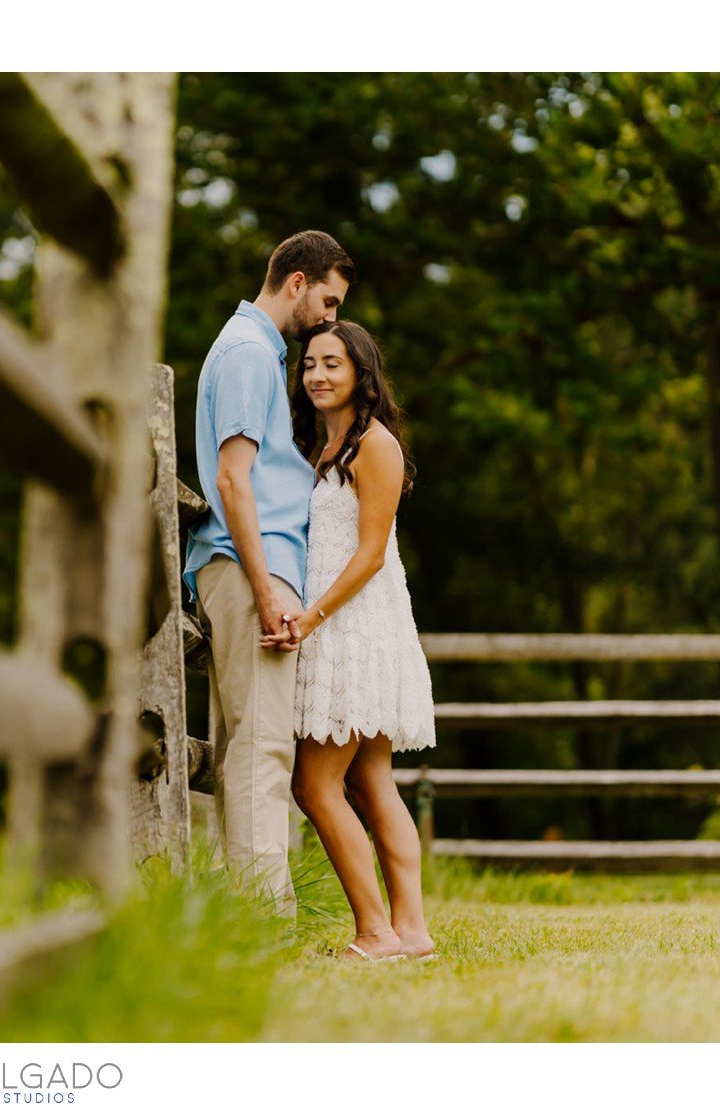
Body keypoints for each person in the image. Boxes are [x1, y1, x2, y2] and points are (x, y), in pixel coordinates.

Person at [184, 230, 354, 921]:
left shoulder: (249, 349)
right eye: (329, 300)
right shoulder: (251, 353)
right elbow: (233, 478)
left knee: (245, 748)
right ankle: (265, 919)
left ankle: (240, 912)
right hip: (254, 568)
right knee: (262, 748)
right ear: (297, 283)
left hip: (251, 566)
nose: (330, 317)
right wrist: (266, 588)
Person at [259, 319, 438, 960]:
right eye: (309, 364)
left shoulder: (375, 445)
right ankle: (409, 934)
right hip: (340, 625)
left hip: (357, 628)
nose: (318, 376)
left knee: (316, 786)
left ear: (362, 371)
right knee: (370, 783)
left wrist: (310, 619)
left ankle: (376, 930)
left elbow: (368, 556)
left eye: (332, 364)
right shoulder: (321, 450)